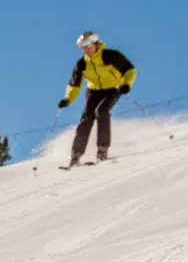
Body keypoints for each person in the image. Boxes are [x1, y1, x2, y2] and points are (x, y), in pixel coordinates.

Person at [57, 31, 138, 167]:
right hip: (94, 90)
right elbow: (74, 84)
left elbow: (130, 70)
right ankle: (75, 155)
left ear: (95, 44)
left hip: (113, 88)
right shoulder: (82, 64)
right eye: (82, 47)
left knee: (101, 111)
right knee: (86, 118)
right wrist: (68, 99)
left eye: (87, 46)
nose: (85, 50)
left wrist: (126, 84)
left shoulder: (110, 56)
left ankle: (102, 150)